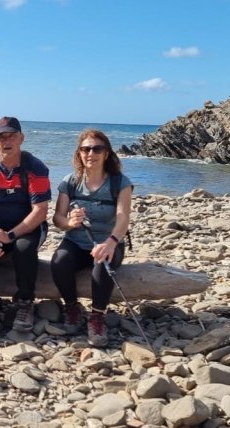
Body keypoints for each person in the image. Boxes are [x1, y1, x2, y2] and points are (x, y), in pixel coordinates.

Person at [50, 129, 132, 347]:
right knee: (59, 262)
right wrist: (70, 222)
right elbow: (57, 218)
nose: (91, 153)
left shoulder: (120, 183)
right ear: (79, 153)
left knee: (103, 266)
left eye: (97, 149)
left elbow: (123, 218)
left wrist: (110, 243)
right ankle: (72, 307)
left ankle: (97, 316)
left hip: (109, 242)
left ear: (106, 153)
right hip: (76, 241)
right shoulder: (70, 181)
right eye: (86, 149)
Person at [0, 116, 51, 338]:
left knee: (23, 248)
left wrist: (10, 235)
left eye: (11, 136)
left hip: (29, 227)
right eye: (1, 137)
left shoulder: (35, 167)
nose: (7, 141)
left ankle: (25, 303)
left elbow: (40, 211)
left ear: (21, 138)